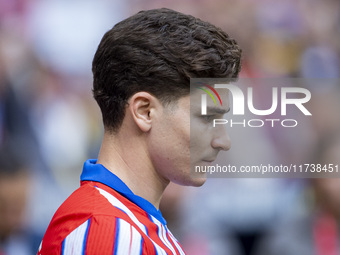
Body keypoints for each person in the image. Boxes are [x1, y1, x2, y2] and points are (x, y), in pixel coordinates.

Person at [38, 8, 241, 255]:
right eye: (207, 117)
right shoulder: (111, 231)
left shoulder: (124, 224)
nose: (223, 141)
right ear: (144, 111)